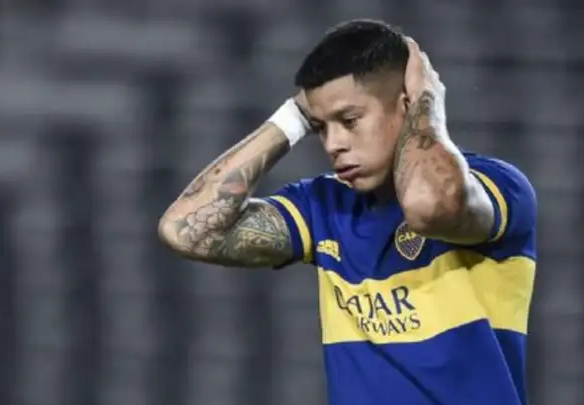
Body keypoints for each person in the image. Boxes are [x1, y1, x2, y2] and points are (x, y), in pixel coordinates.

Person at [159, 19, 537, 405]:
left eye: (350, 120)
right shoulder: (324, 207)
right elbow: (185, 230)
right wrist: (293, 118)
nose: (333, 144)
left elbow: (427, 206)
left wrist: (426, 99)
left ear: (406, 104)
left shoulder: (497, 185)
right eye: (320, 126)